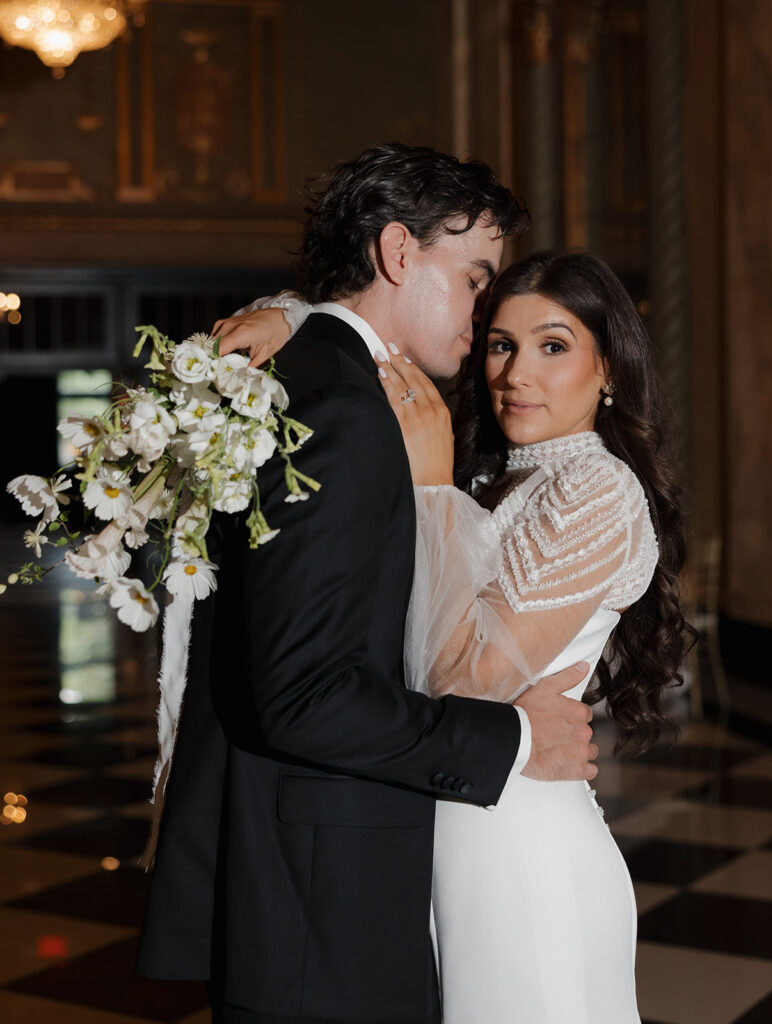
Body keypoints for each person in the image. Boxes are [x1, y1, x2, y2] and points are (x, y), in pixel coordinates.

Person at [136, 144, 598, 1024]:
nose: (482, 309)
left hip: (285, 867)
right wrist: (510, 740)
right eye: (472, 277)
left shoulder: (294, 379)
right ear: (396, 254)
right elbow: (308, 696)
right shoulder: (348, 412)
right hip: (322, 894)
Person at [227, 250, 690, 1022]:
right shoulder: (494, 475)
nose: (515, 373)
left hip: (522, 851)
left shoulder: (594, 490)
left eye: (552, 345)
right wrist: (290, 313)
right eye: (500, 344)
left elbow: (466, 681)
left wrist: (429, 490)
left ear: (607, 367)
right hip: (449, 826)